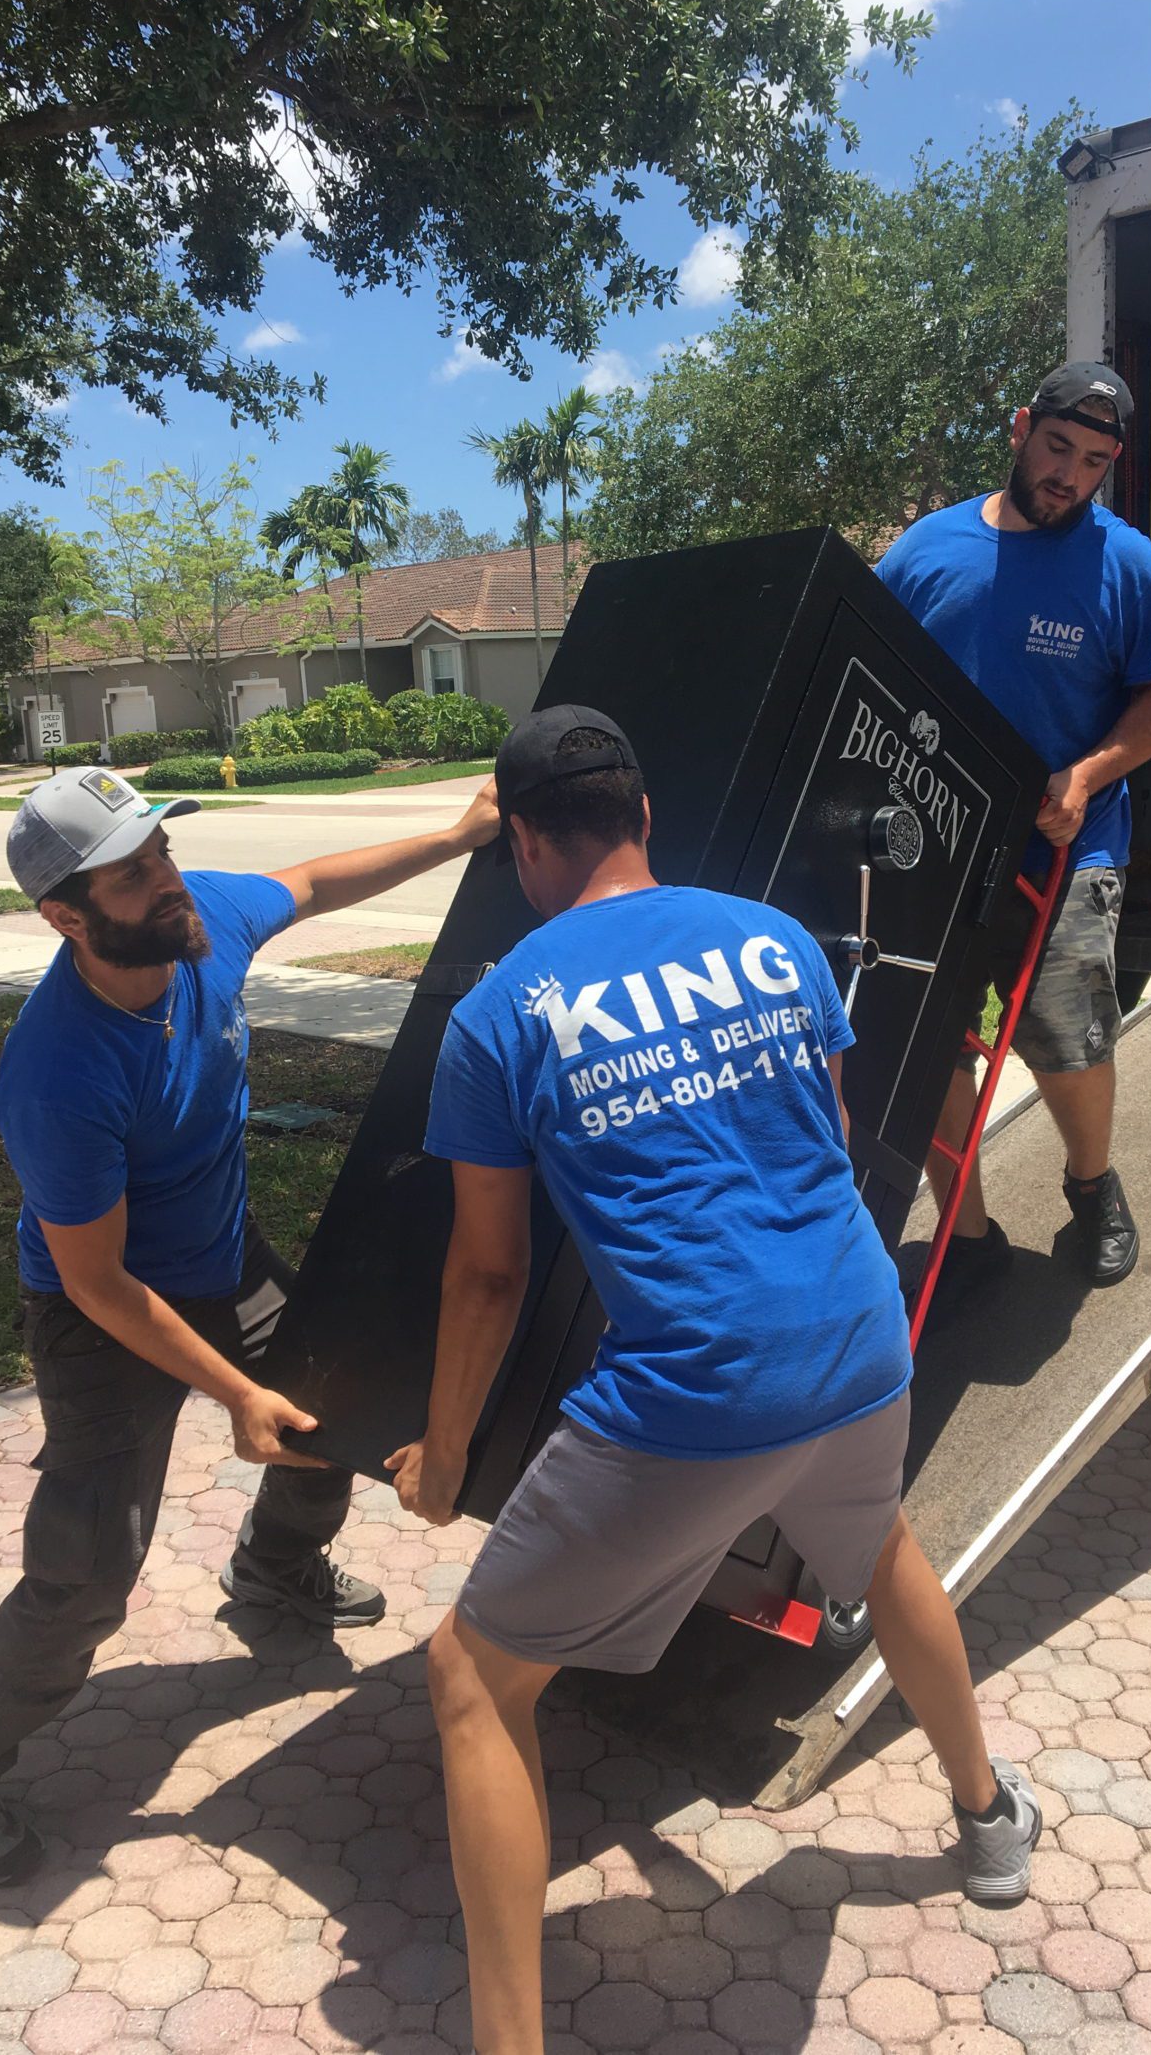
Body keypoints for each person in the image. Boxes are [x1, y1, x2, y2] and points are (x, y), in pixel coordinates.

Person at [387, 706, 1042, 2055]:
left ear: (522, 838)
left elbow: (490, 1278)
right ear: (642, 815)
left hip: (699, 1383)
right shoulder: (779, 938)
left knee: (472, 1678)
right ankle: (987, 1817)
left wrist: (444, 1462)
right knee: (881, 1545)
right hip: (860, 1329)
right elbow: (836, 1129)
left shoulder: (504, 1009)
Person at [0, 763, 498, 1881]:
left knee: (331, 1417)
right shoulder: (57, 1070)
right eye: (134, 874)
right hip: (104, 1313)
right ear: (65, 916)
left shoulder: (197, 919)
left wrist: (460, 835)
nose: (167, 882)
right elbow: (99, 1284)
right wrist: (232, 1392)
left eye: (162, 851)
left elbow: (314, 881)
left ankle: (273, 1568)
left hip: (221, 1259)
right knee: (88, 1571)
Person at [876, 362, 1151, 1295]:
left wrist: (1088, 774)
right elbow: (877, 673)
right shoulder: (926, 549)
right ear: (1021, 428)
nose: (1069, 474)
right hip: (933, 845)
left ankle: (1092, 1187)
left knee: (1065, 1034)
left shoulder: (1127, 564)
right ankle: (967, 1236)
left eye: (1093, 461)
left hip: (1066, 848)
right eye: (1058, 447)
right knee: (928, 1044)